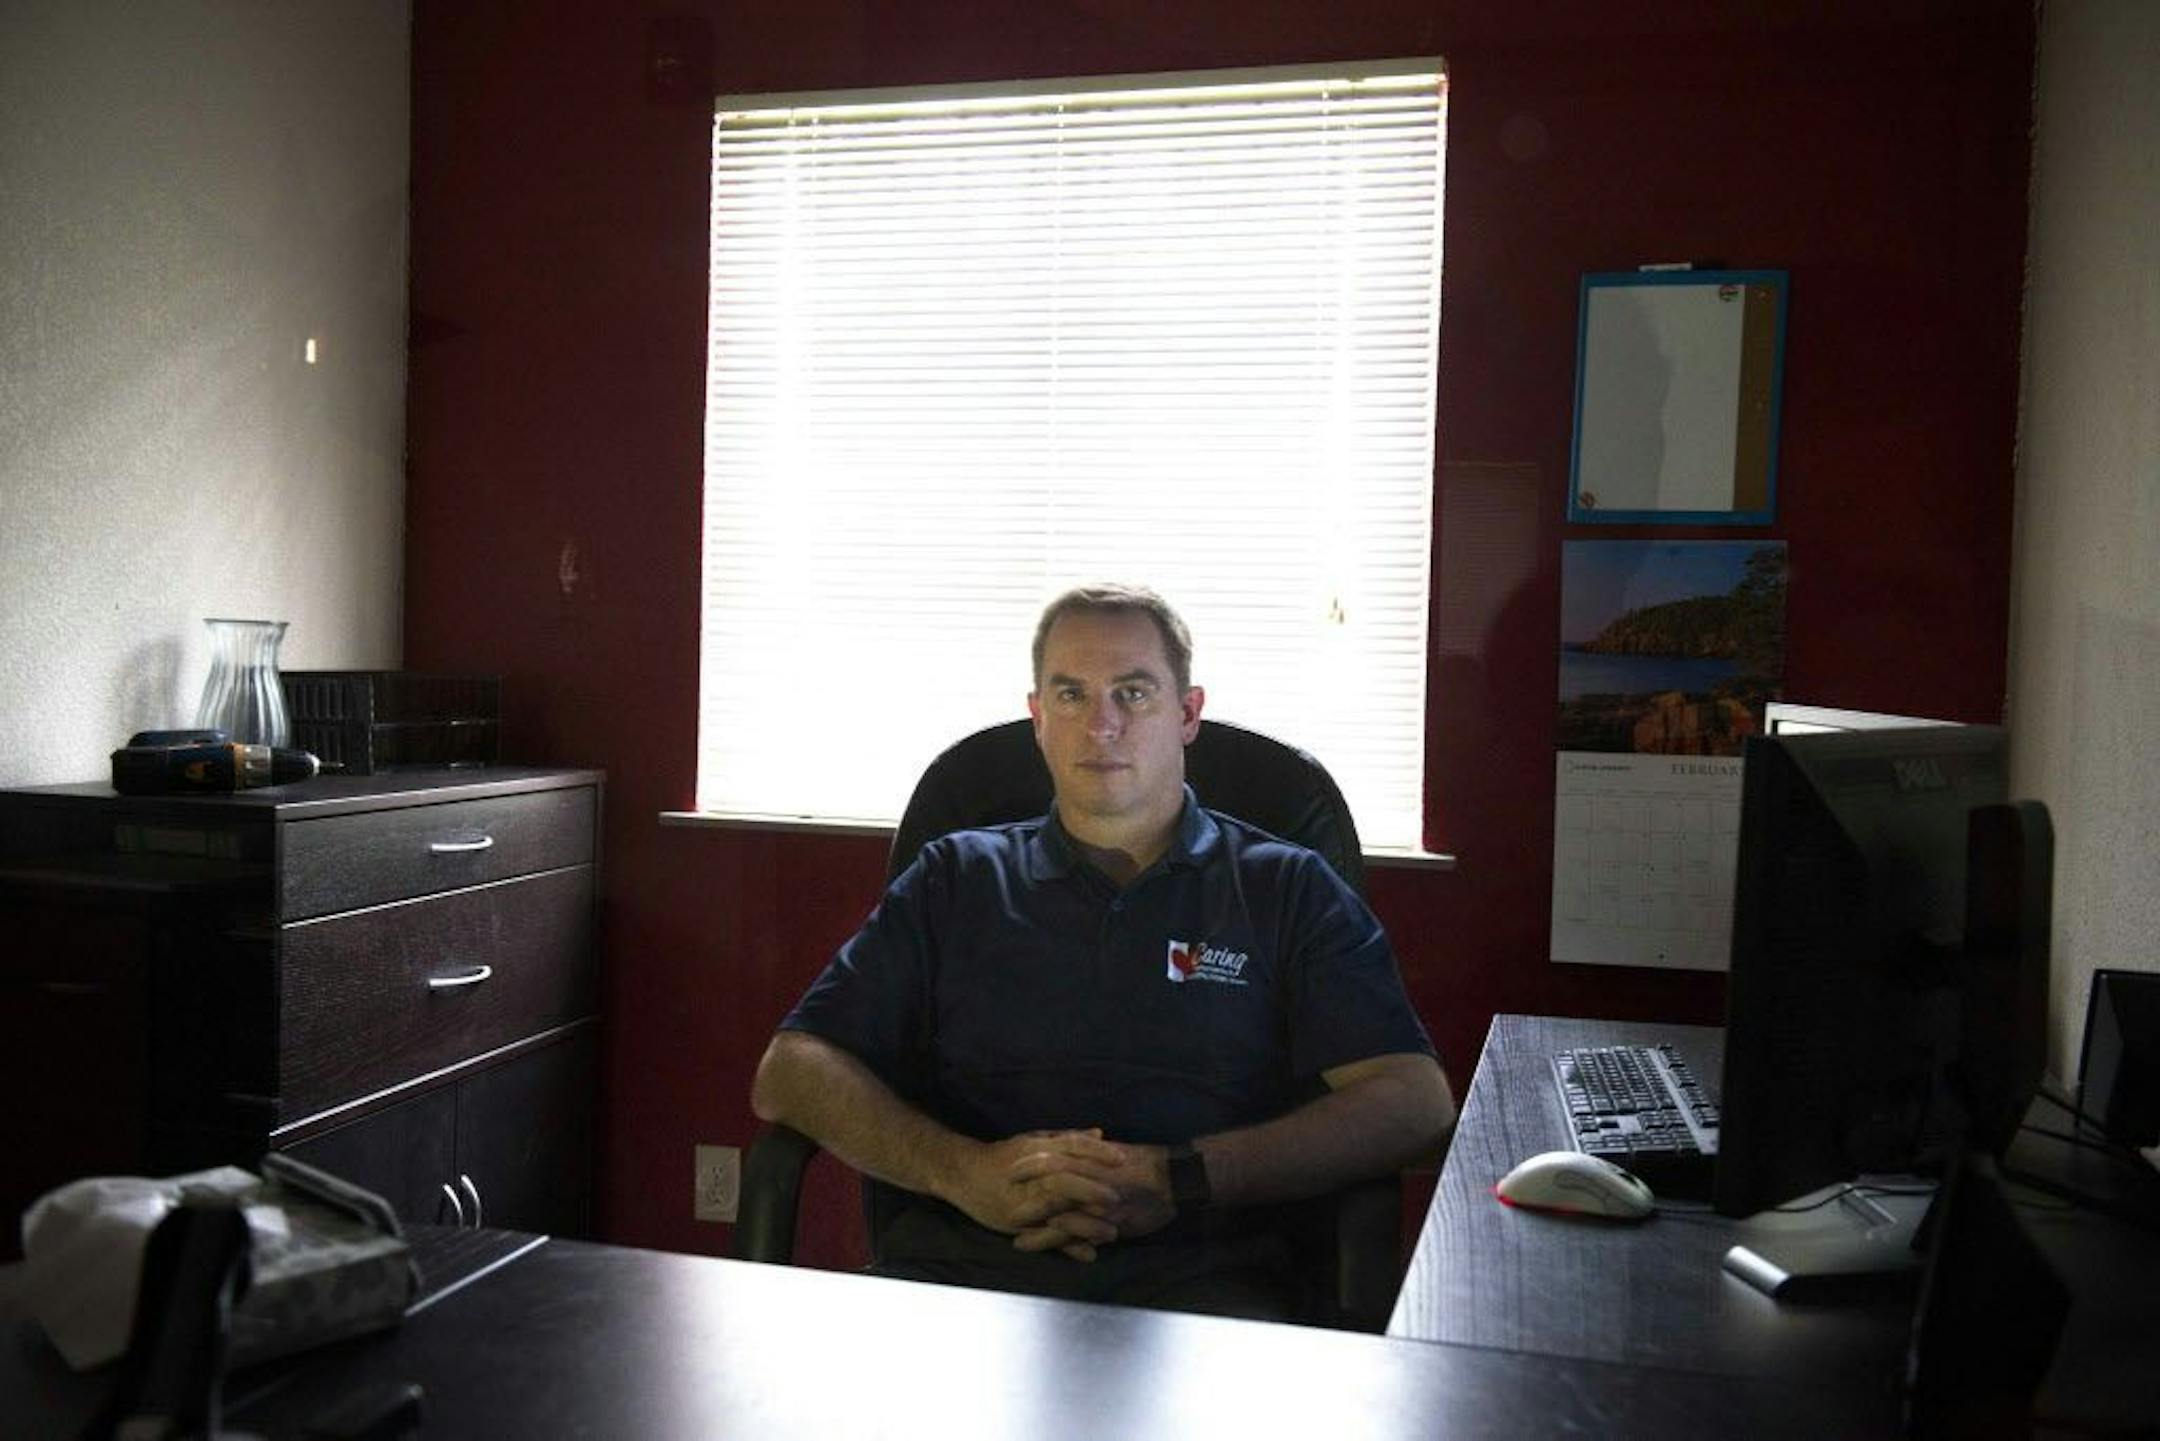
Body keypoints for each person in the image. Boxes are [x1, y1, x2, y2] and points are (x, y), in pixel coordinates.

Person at [751, 583, 1454, 1320]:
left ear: (1187, 714)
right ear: (1038, 718)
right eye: (1070, 694)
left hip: (1206, 1291)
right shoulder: (955, 879)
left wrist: (1179, 1177)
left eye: (1133, 692)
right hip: (956, 1277)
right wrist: (964, 1173)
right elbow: (790, 1071)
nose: (1101, 724)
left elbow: (1414, 1100)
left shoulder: (1286, 888)